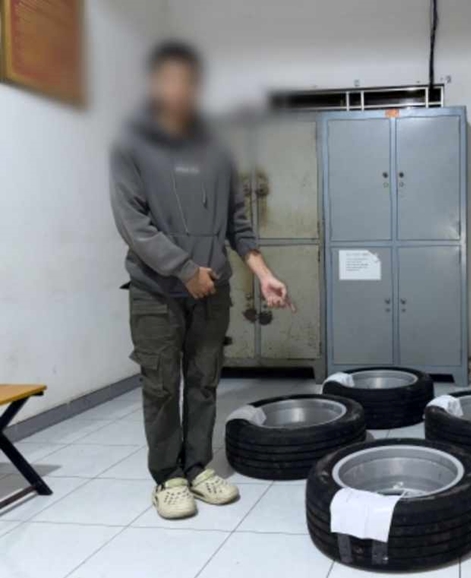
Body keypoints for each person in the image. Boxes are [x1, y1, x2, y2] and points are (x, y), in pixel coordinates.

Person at [109, 41, 291, 519]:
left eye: (189, 81)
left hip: (212, 290)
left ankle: (197, 467)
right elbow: (134, 226)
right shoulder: (130, 148)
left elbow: (237, 223)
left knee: (204, 381)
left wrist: (264, 275)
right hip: (156, 292)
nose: (180, 90)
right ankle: (167, 477)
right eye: (169, 80)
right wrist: (186, 270)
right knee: (161, 385)